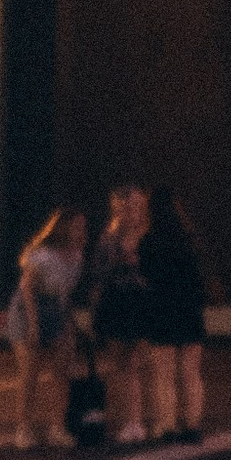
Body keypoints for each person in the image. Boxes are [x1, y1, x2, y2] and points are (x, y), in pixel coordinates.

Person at [138, 183, 213, 442]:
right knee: (191, 372)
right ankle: (192, 425)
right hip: (189, 309)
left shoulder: (148, 241)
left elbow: (145, 275)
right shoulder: (189, 239)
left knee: (164, 374)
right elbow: (200, 276)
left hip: (162, 308)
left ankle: (168, 425)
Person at [9, 207, 88, 448]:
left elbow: (65, 293)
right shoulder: (42, 255)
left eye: (84, 227)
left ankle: (58, 427)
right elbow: (27, 290)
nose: (82, 231)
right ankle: (24, 428)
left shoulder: (77, 255)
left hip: (56, 308)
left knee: (62, 372)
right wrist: (34, 325)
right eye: (76, 226)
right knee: (30, 373)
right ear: (64, 228)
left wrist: (68, 325)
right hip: (28, 310)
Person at [86, 186, 154, 443]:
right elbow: (98, 277)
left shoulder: (148, 236)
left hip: (142, 302)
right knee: (121, 364)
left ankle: (151, 420)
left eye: (137, 207)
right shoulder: (109, 238)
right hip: (117, 302)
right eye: (126, 208)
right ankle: (129, 421)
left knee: (146, 363)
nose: (133, 213)